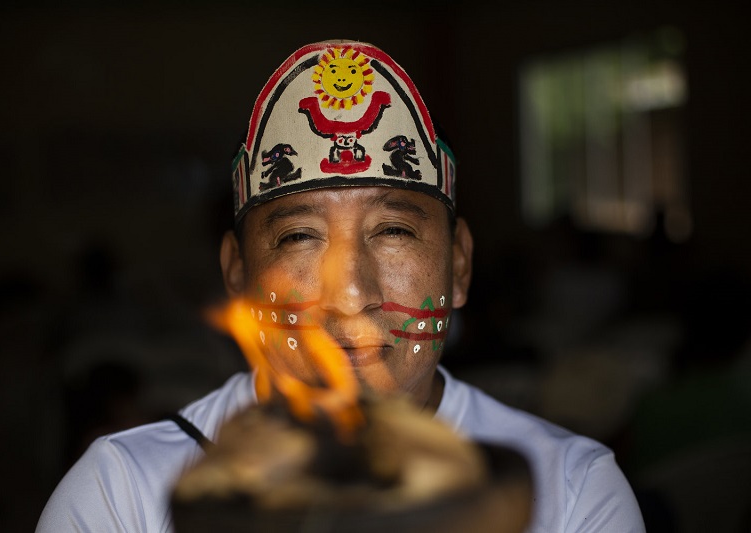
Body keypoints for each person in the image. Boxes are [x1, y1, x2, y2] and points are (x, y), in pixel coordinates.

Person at [37, 39, 644, 532]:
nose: (351, 296)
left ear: (458, 266)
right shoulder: (123, 495)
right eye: (299, 237)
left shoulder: (569, 489)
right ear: (237, 275)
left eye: (395, 231)